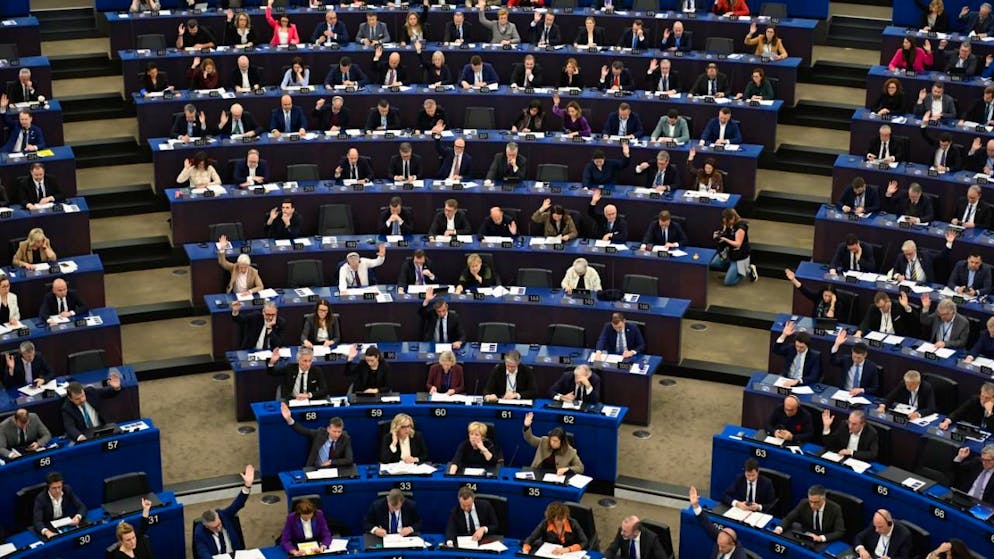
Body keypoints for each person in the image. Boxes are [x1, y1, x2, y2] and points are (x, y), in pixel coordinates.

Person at [193, 465, 254, 559]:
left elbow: (237, 504)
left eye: (219, 524)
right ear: (207, 526)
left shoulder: (224, 515)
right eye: (214, 527)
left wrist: (247, 486)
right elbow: (203, 553)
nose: (219, 528)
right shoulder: (199, 532)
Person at [280, 402, 353, 469]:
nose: (337, 435)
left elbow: (349, 460)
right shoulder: (319, 433)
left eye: (339, 432)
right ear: (328, 429)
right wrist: (289, 419)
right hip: (315, 468)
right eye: (334, 431)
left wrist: (331, 462)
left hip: (334, 469)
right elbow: (303, 431)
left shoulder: (345, 439)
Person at [688, 486, 747, 558]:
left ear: (732, 544)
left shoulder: (740, 557)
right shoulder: (720, 539)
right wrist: (695, 505)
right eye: (719, 545)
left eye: (723, 547)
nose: (719, 549)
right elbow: (706, 524)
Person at [773, 485, 845, 543]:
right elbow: (789, 518)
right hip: (807, 536)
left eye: (816, 502)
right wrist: (779, 528)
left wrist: (820, 538)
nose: (812, 505)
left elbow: (840, 531)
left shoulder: (835, 509)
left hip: (824, 539)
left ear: (823, 499)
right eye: (811, 501)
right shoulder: (804, 503)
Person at [61, 373, 122, 442]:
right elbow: (69, 427)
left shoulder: (90, 392)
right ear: (70, 398)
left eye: (82, 396)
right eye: (77, 399)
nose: (82, 400)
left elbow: (107, 392)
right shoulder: (67, 408)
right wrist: (79, 436)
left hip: (101, 430)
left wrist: (116, 388)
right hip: (85, 436)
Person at [711, 208, 756, 285]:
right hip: (729, 252)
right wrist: (719, 234)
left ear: (733, 218)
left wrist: (724, 239)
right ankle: (732, 271)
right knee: (714, 263)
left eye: (727, 221)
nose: (726, 223)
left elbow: (738, 244)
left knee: (728, 282)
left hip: (739, 256)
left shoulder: (740, 228)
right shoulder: (728, 224)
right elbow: (725, 233)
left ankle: (747, 270)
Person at [522, 501, 588, 554]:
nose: (563, 520)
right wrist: (526, 548)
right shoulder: (545, 523)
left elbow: (584, 542)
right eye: (560, 519)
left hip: (569, 554)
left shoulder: (573, 523)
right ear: (552, 518)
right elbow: (530, 539)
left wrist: (568, 549)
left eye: (564, 517)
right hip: (550, 554)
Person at [772, 321, 822, 386]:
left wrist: (798, 380)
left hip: (802, 383)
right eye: (797, 346)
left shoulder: (814, 356)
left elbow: (814, 376)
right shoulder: (791, 348)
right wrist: (784, 335)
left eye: (801, 347)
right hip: (787, 379)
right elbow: (775, 350)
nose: (798, 349)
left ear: (807, 346)